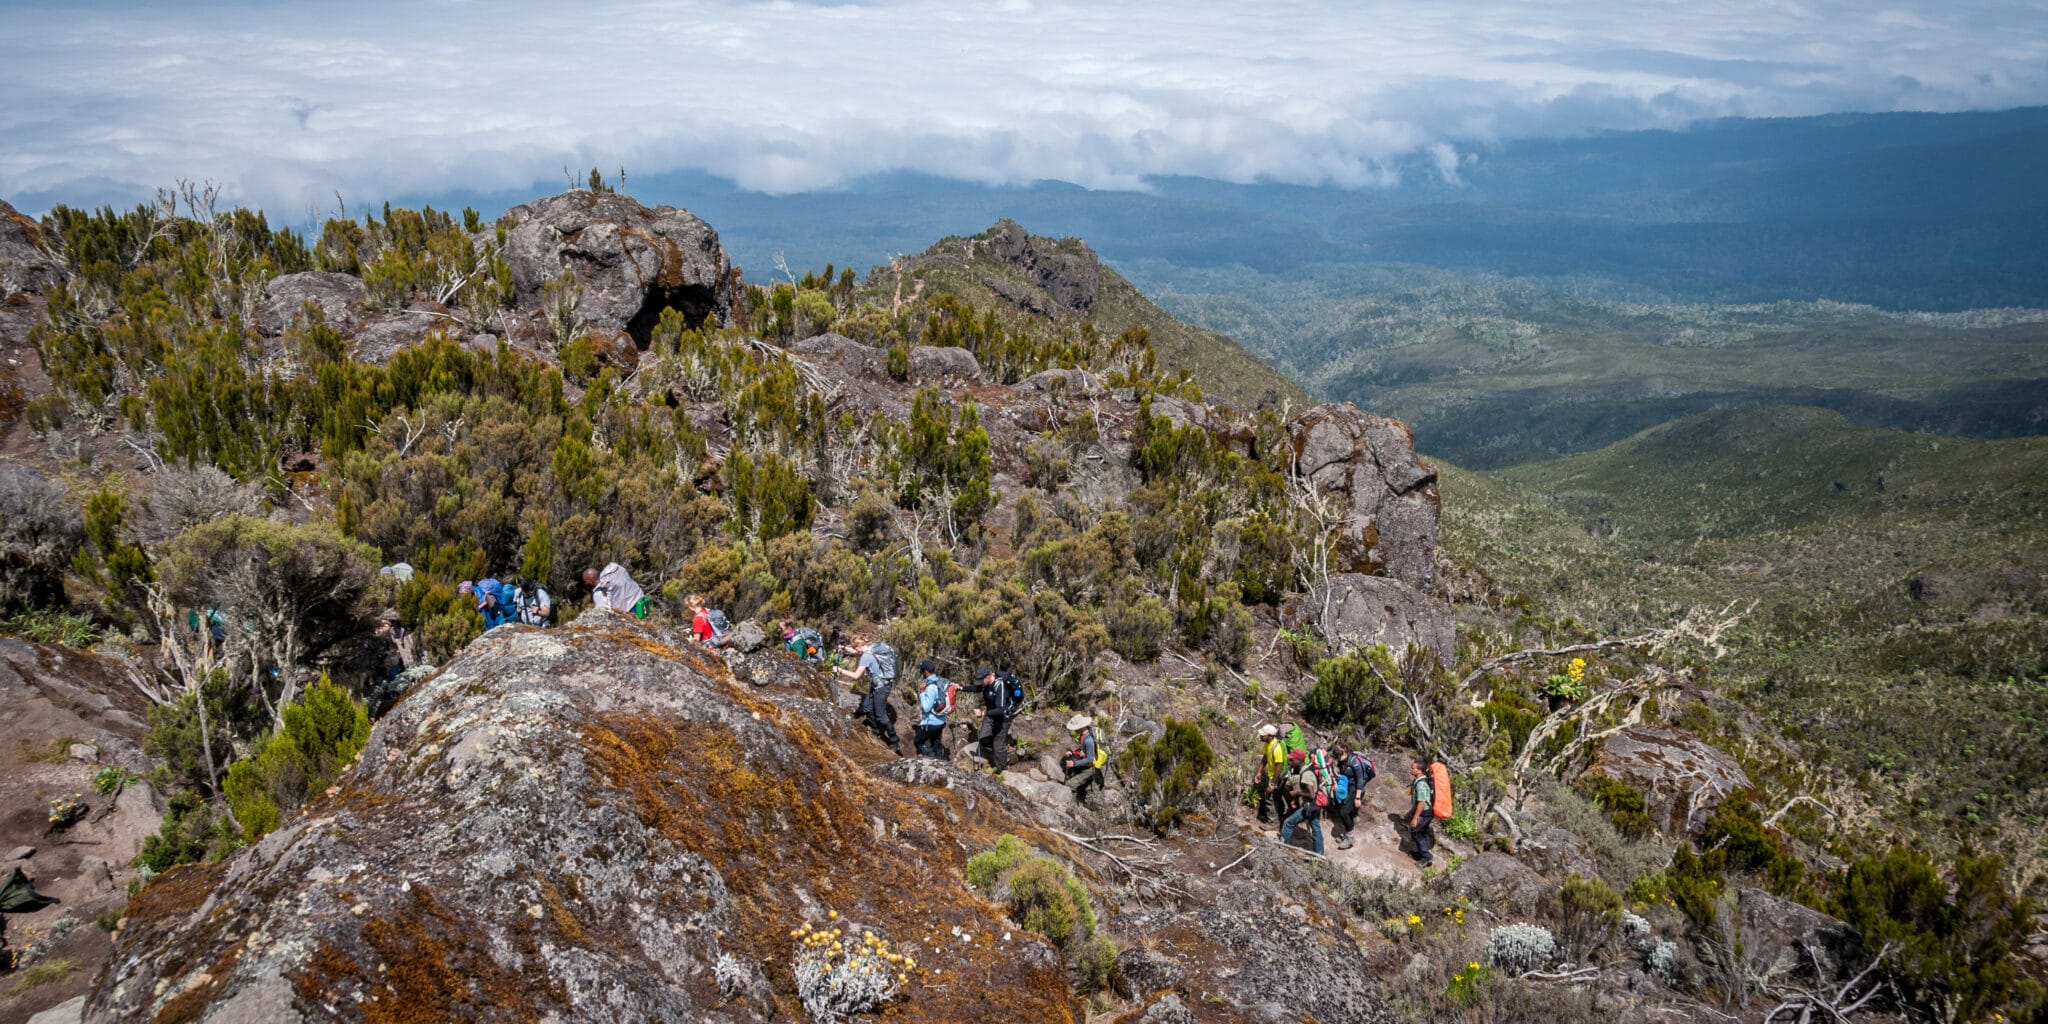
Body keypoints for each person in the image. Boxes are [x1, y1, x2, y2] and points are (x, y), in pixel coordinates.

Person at [835, 634, 902, 754]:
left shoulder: (866, 656)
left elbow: (856, 676)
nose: (855, 651)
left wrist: (839, 670)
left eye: (856, 648)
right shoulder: (871, 648)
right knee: (867, 707)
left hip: (882, 687)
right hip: (876, 684)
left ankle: (894, 740)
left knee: (881, 716)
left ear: (860, 646)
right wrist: (844, 648)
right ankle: (875, 732)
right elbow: (856, 652)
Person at [964, 666, 1021, 774]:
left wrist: (983, 713)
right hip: (991, 715)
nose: (980, 683)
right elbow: (976, 688)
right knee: (983, 737)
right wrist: (961, 688)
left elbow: (1001, 709)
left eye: (981, 681)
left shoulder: (1000, 686)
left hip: (1003, 718)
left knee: (998, 745)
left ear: (988, 676)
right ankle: (991, 760)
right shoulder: (986, 684)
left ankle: (1002, 771)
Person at [1278, 748, 1326, 855]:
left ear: (1299, 760)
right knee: (1315, 827)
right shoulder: (1307, 770)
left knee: (1288, 823)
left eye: (1292, 760)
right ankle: (1319, 854)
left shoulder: (1306, 774)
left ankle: (1280, 848)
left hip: (1309, 806)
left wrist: (1297, 793)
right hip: (1316, 805)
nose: (1290, 762)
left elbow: (1311, 795)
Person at [1330, 743, 1376, 851]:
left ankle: (1350, 838)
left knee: (1344, 812)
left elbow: (1360, 780)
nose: (1339, 759)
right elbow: (1343, 775)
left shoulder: (1354, 762)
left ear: (1345, 752)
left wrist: (1358, 798)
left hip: (1357, 791)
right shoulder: (1342, 761)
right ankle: (1348, 834)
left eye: (1340, 756)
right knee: (1347, 812)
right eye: (1337, 757)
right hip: (1348, 788)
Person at [1060, 714, 1105, 805]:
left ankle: (1070, 804)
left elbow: (1090, 759)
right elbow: (1083, 751)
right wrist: (1073, 753)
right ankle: (1096, 802)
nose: (1074, 730)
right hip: (1088, 767)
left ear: (1080, 727)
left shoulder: (1088, 740)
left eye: (1075, 728)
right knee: (1091, 787)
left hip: (1090, 768)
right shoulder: (1084, 734)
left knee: (1069, 785)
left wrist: (1074, 763)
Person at [914, 659, 951, 758]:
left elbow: (926, 708)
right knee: (936, 743)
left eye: (921, 671)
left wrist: (922, 692)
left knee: (918, 742)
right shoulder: (940, 682)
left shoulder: (931, 687)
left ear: (925, 672)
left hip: (930, 723)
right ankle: (939, 759)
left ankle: (931, 757)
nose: (921, 673)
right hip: (941, 722)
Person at [1254, 724, 1289, 826]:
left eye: (1263, 735)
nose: (1261, 736)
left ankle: (1273, 823)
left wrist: (1272, 784)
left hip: (1276, 777)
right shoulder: (1267, 743)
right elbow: (1265, 758)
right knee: (1275, 797)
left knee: (1269, 798)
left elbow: (1278, 768)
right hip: (1272, 775)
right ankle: (1280, 817)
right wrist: (1259, 772)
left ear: (1270, 735)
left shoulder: (1276, 748)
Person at [582, 564, 647, 619]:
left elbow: (602, 612)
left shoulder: (598, 593)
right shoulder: (612, 574)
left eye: (585, 581)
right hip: (638, 600)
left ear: (590, 580)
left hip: (629, 612)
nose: (585, 583)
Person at [1407, 757, 1436, 867]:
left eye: (1413, 768)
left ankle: (1426, 857)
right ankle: (1421, 853)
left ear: (1419, 770)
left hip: (1425, 813)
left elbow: (1421, 802)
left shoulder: (1421, 784)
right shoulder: (1417, 780)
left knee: (1416, 832)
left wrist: (1415, 818)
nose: (1411, 770)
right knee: (1421, 832)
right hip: (1424, 812)